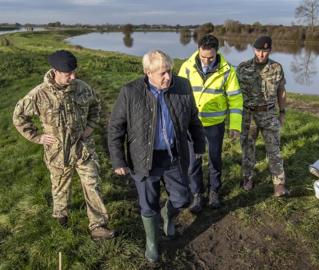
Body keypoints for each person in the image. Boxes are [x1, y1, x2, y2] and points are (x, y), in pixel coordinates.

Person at [108, 50, 205, 263]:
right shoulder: (130, 92)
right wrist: (118, 160)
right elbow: (116, 128)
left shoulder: (182, 86)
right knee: (148, 203)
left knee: (182, 198)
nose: (168, 77)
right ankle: (152, 243)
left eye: (169, 71)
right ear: (147, 72)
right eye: (162, 73)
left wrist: (199, 145)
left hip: (173, 156)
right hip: (144, 159)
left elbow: (193, 119)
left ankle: (168, 215)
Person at [12, 50, 115, 240]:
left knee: (92, 184)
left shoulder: (83, 88)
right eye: (69, 74)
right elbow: (18, 117)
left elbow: (96, 107)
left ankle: (98, 226)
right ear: (55, 71)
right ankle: (61, 215)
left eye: (75, 72)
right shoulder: (38, 95)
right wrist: (37, 137)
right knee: (59, 185)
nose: (73, 77)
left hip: (83, 149)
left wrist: (90, 128)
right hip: (57, 153)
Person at [178, 34, 243, 212]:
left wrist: (235, 126)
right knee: (193, 162)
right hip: (193, 125)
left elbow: (236, 100)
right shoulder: (187, 67)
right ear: (198, 50)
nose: (206, 61)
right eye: (203, 57)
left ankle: (214, 192)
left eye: (211, 57)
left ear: (217, 52)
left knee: (215, 159)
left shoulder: (228, 71)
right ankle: (197, 195)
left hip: (215, 125)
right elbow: (178, 96)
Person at [237, 36, 289, 197]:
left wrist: (282, 112)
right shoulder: (243, 68)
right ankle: (248, 178)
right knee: (248, 148)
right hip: (248, 115)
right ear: (254, 50)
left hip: (269, 113)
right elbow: (234, 93)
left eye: (265, 51)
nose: (261, 55)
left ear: (270, 51)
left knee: (274, 149)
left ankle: (279, 184)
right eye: (259, 51)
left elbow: (282, 91)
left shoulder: (277, 68)